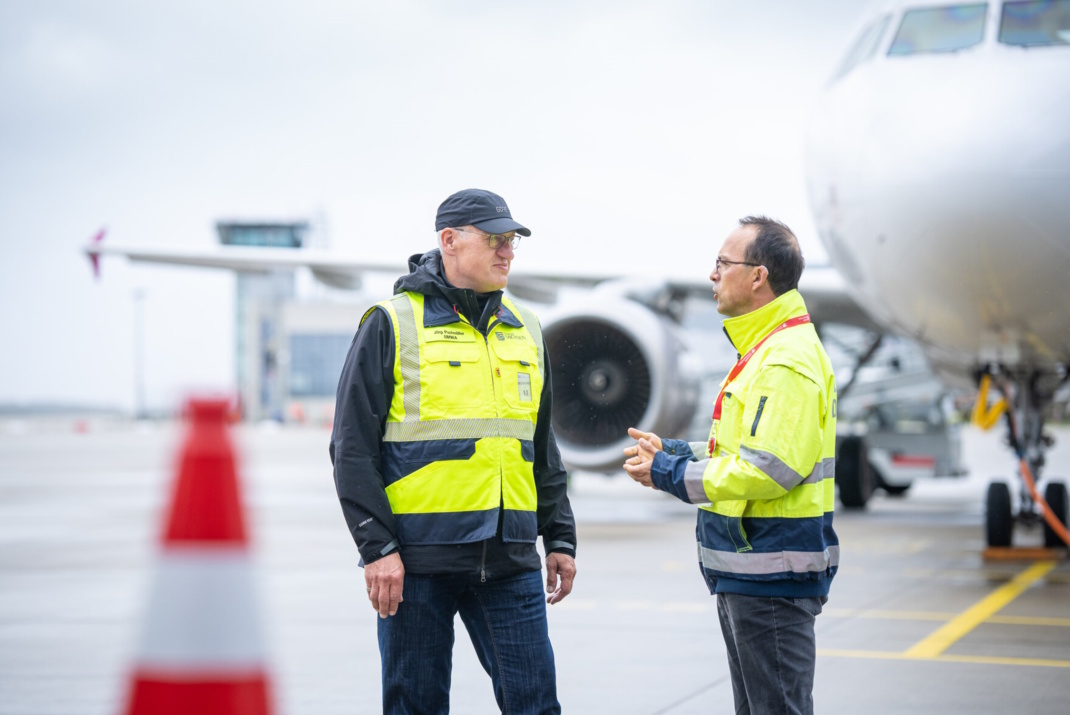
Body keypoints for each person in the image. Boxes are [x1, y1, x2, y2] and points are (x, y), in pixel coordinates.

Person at [330, 188, 577, 715]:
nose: (507, 251)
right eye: (494, 239)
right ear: (449, 241)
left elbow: (539, 444)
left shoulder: (526, 329)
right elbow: (351, 449)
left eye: (511, 240)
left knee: (537, 705)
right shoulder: (390, 323)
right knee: (414, 706)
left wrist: (559, 534)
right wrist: (377, 549)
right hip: (416, 564)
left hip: (510, 560)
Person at [622, 216, 838, 715]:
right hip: (753, 571)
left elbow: (768, 469)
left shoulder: (784, 359)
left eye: (723, 263)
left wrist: (668, 475)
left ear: (758, 276)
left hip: (771, 574)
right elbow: (743, 452)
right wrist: (673, 452)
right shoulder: (765, 348)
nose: (713, 275)